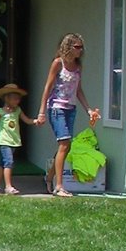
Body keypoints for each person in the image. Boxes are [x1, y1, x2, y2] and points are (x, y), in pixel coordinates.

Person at [35, 33, 100, 198]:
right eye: (77, 47)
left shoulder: (78, 66)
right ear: (68, 47)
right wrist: (41, 112)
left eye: (81, 47)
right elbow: (48, 88)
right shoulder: (58, 63)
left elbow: (78, 90)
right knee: (64, 144)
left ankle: (49, 177)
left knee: (66, 146)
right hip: (56, 108)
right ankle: (59, 186)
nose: (80, 50)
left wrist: (89, 110)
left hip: (71, 108)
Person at [0, 83, 29, 194]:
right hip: (4, 141)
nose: (17, 101)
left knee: (2, 163)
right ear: (7, 99)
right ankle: (8, 186)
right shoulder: (0, 111)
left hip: (14, 141)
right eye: (14, 99)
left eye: (18, 99)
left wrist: (35, 121)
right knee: (9, 162)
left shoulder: (18, 110)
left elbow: (26, 120)